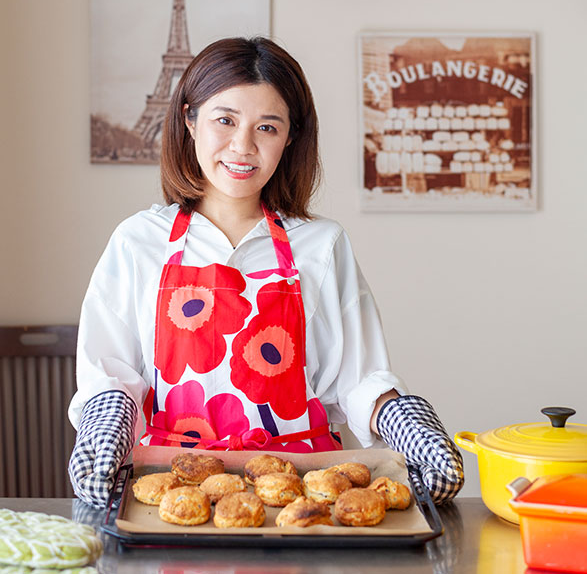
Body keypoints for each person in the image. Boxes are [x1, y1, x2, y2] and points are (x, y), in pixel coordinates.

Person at [68, 36, 464, 509]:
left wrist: (408, 421)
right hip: (172, 491)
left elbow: (359, 379)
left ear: (291, 136)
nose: (243, 146)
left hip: (301, 495)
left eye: (268, 127)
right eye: (225, 120)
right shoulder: (138, 241)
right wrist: (104, 427)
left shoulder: (321, 244)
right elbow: (111, 373)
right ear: (189, 120)